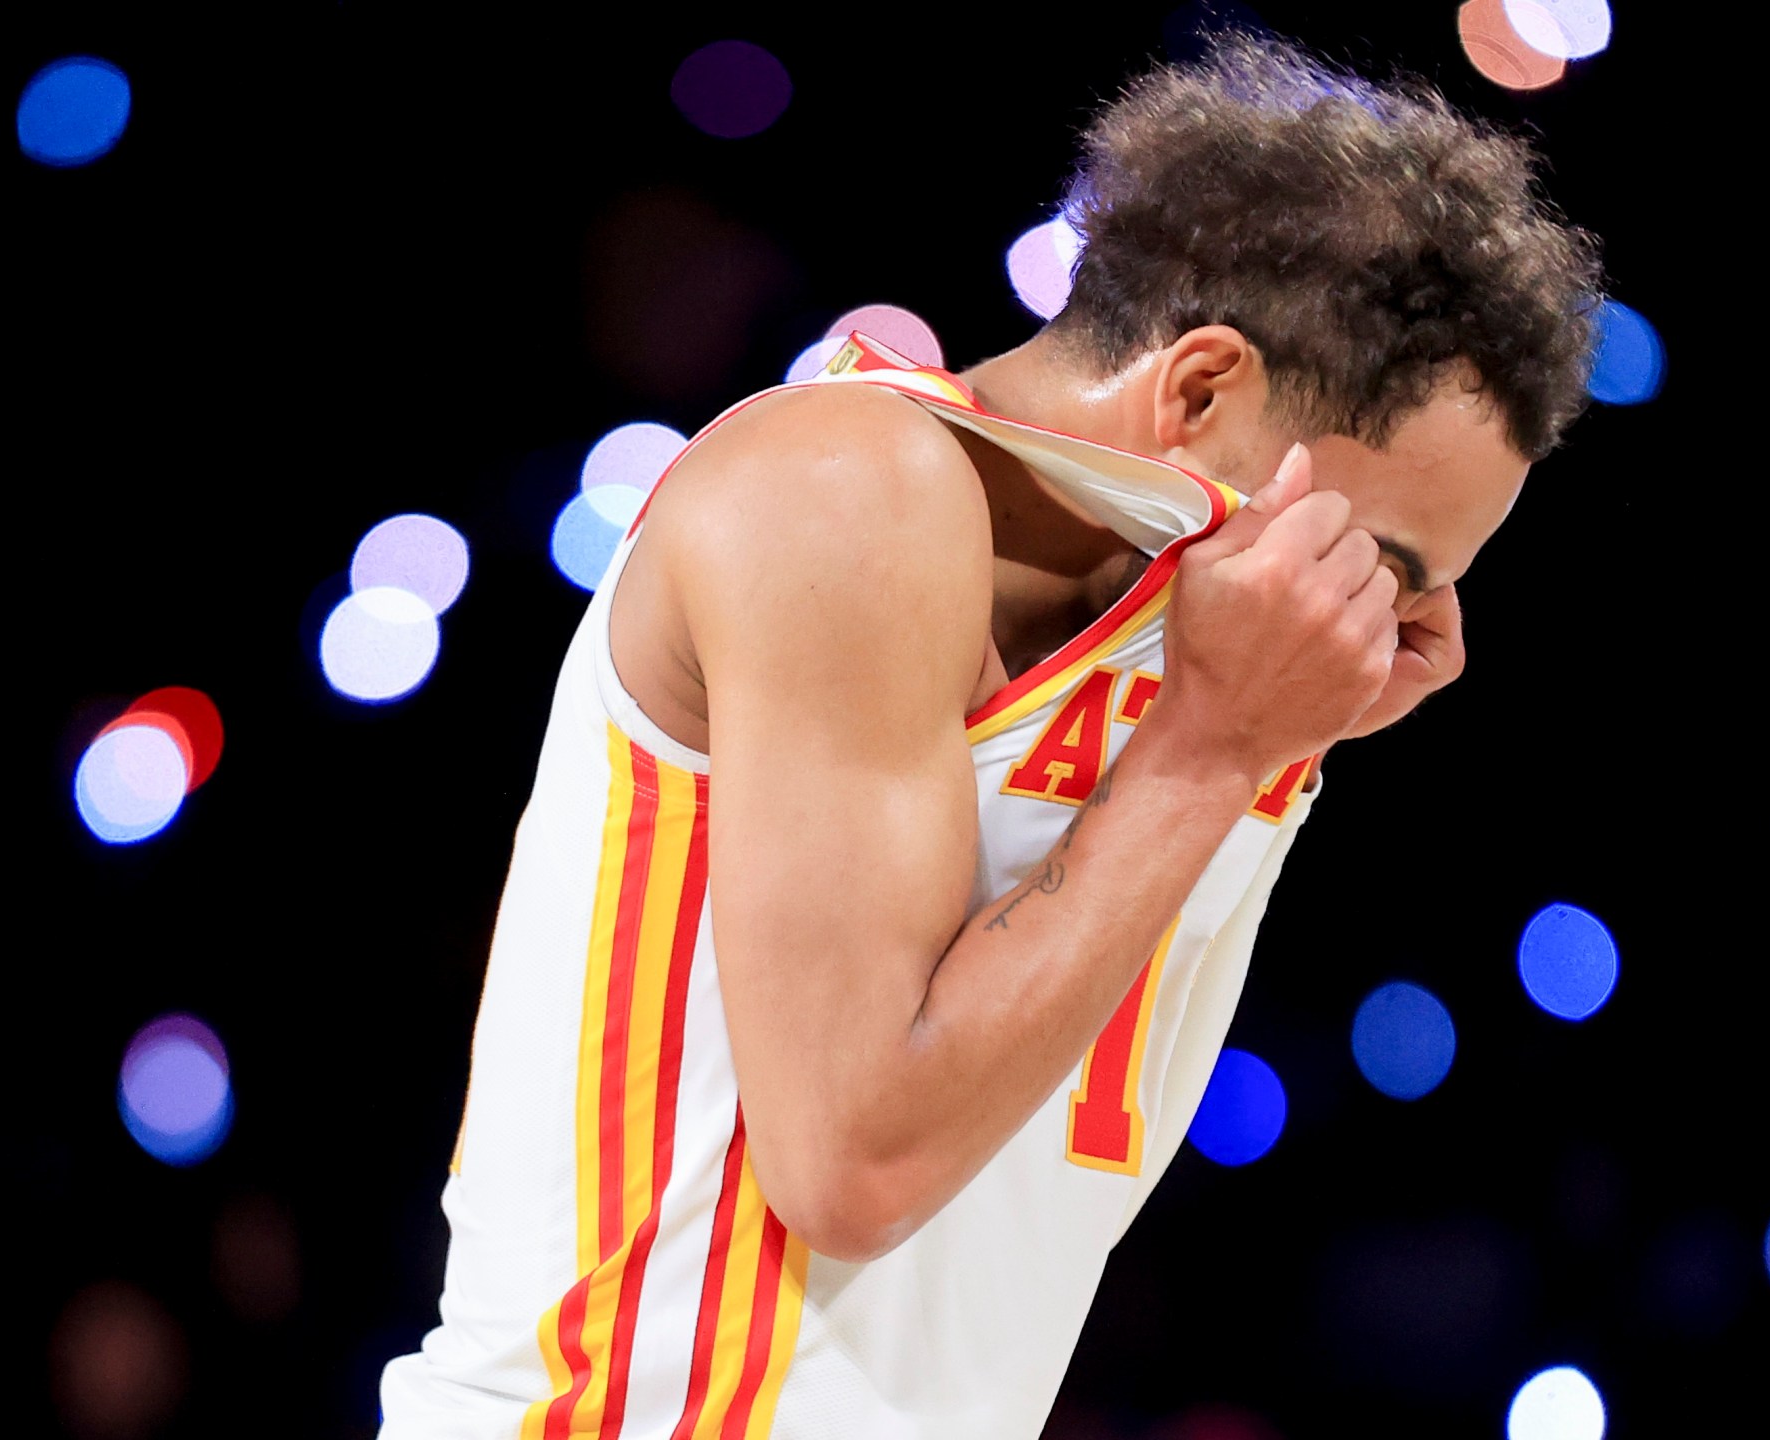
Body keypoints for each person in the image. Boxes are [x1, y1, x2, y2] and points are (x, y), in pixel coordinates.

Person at [378, 33, 1602, 1439]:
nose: (1385, 631)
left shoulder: (1194, 657)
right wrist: (1212, 752)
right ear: (1197, 391)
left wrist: (1256, 752)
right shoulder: (843, 485)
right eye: (1378, 561)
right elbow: (853, 1164)